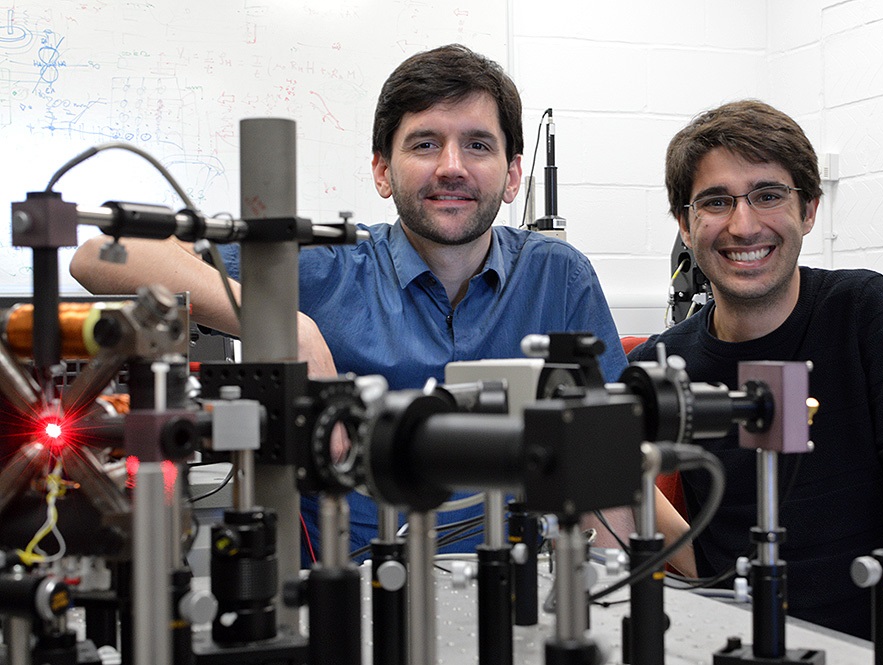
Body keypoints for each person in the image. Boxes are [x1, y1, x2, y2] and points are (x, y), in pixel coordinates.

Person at [70, 44, 629, 561]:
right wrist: (284, 327)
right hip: (347, 593)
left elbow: (611, 471)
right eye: (425, 143)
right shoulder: (325, 267)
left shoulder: (559, 277)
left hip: (521, 592)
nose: (452, 166)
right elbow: (100, 254)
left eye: (478, 144)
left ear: (512, 176)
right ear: (382, 171)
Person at [630, 100, 883, 662]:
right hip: (741, 644)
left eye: (768, 194)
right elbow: (615, 480)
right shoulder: (663, 363)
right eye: (716, 201)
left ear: (808, 211)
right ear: (685, 224)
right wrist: (707, 575)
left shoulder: (862, 312)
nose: (744, 223)